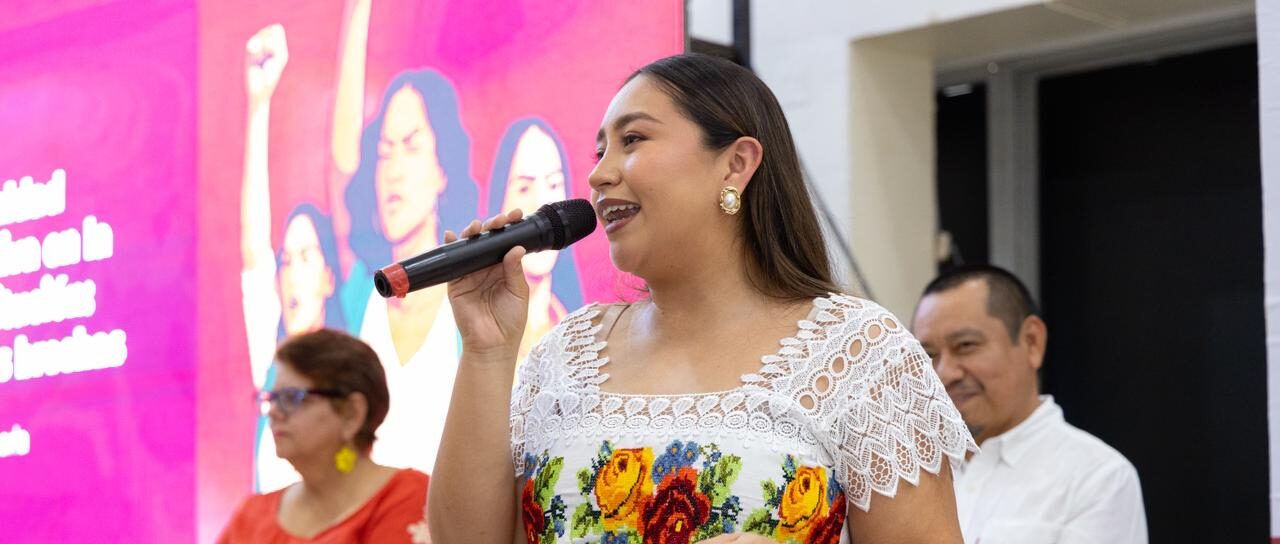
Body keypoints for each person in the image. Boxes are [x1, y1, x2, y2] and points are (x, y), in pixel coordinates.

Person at [428, 53, 977, 543]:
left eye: (633, 140)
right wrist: (487, 350)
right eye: (599, 150)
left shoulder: (859, 353)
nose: (598, 174)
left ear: (737, 163)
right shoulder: (565, 354)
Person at [327, 0, 480, 475]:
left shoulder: (474, 298)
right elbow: (342, 160)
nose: (392, 170)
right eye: (384, 151)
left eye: (411, 147)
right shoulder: (360, 294)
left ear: (442, 169)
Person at [910, 265, 1147, 543]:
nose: (945, 373)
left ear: (1032, 342)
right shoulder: (908, 470)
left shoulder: (1098, 478)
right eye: (928, 355)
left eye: (965, 345)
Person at [241, 23, 349, 492]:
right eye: (286, 260)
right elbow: (251, 244)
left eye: (306, 257)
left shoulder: (357, 365)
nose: (291, 273)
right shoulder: (270, 357)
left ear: (328, 277)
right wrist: (258, 103)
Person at [220, 329, 430, 543]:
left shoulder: (408, 497)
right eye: (272, 398)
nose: (273, 412)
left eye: (291, 397)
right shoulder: (251, 517)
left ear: (352, 413)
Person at [486, 117, 585, 361]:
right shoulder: (476, 322)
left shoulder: (584, 333)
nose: (542, 204)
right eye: (523, 188)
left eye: (553, 185)